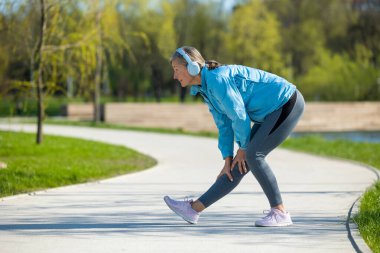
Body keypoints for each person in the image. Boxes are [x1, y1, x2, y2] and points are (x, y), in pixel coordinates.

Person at [164, 46, 305, 227]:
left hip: (285, 101)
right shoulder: (205, 89)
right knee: (237, 166)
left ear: (192, 67)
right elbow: (224, 125)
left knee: (252, 155)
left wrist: (243, 147)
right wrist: (228, 158)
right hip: (269, 112)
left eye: (176, 70)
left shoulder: (217, 80)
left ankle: (280, 212)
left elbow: (239, 115)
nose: (174, 76)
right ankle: (193, 209)